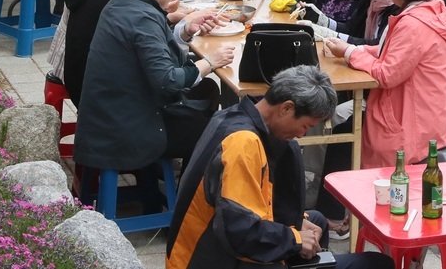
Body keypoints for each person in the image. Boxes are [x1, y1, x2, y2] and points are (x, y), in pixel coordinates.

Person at [168, 65, 393, 269]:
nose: (302, 134)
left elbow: (247, 206)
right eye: (305, 125)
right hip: (215, 259)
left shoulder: (232, 116)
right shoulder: (243, 143)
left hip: (212, 245)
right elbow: (242, 234)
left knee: (315, 221)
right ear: (286, 108)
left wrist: (296, 222)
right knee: (376, 263)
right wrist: (293, 238)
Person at [76, 0, 237, 176]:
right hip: (124, 133)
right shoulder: (143, 17)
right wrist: (210, 62)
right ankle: (187, 198)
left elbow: (152, 52)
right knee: (217, 128)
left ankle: (163, 186)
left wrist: (185, 31)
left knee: (207, 90)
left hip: (108, 118)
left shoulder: (119, 3)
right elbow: (167, 80)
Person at [324, 0, 446, 167]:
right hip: (443, 119)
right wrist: (357, 50)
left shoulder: (413, 24)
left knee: (343, 131)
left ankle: (335, 196)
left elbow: (387, 73)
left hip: (417, 130)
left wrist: (351, 52)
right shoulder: (436, 10)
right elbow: (397, 53)